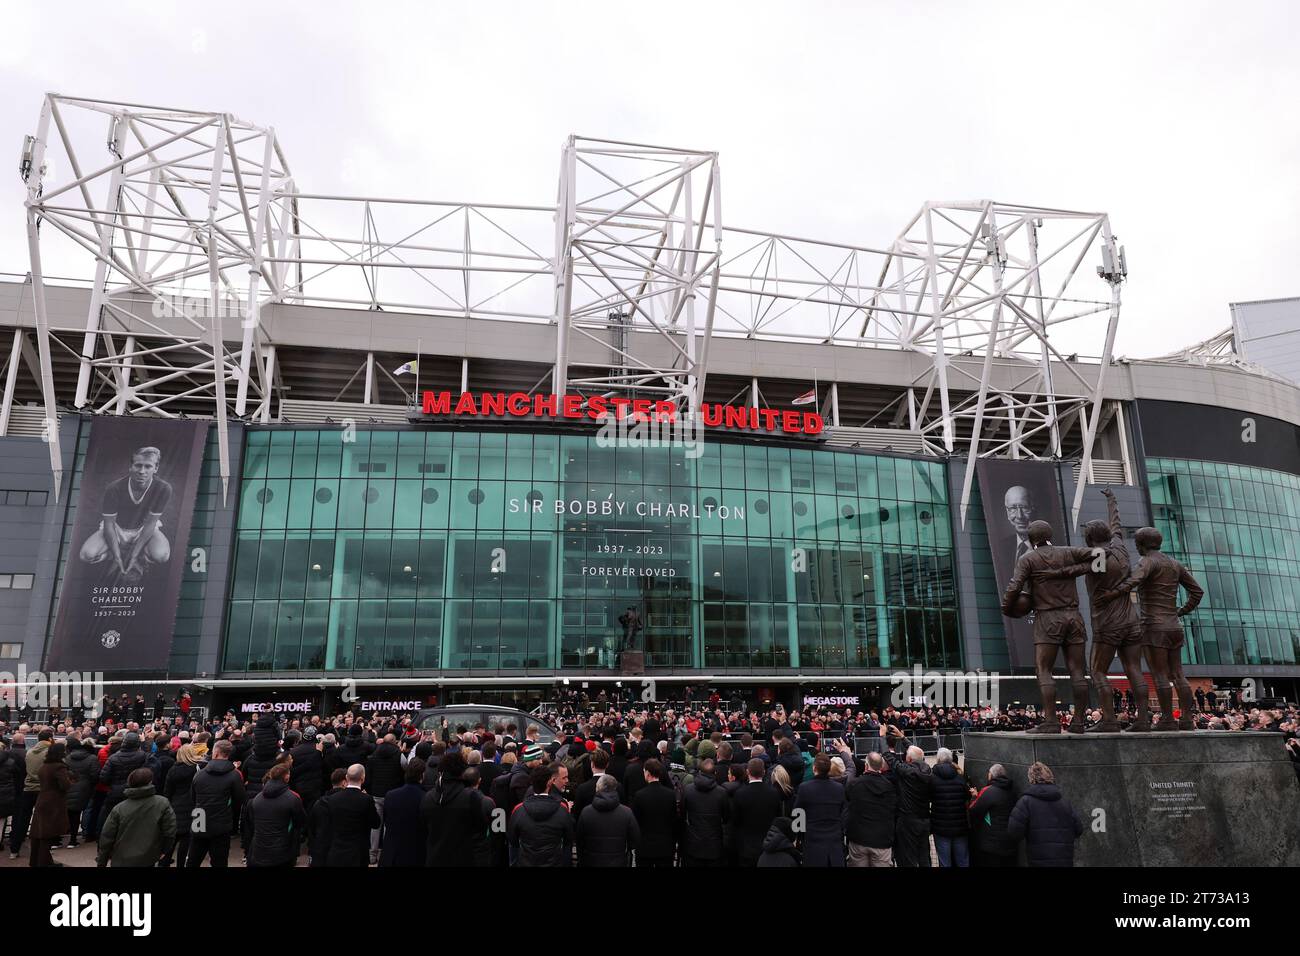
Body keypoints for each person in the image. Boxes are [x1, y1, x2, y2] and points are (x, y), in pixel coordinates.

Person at [1095, 526, 1205, 730]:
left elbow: (1133, 581)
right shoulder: (1175, 564)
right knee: (1178, 675)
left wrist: (1111, 594)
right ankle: (1187, 719)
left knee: (1160, 675)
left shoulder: (1147, 561)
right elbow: (1197, 592)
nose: (1136, 547)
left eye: (1136, 543)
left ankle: (1167, 719)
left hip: (1154, 627)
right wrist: (1181, 611)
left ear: (1142, 544)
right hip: (1174, 626)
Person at [78, 445, 173, 578]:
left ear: (156, 468)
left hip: (143, 528)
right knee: (86, 555)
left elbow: (151, 524)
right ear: (131, 467)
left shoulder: (163, 488)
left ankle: (140, 555)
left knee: (162, 556)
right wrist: (117, 557)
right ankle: (112, 554)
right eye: (138, 465)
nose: (142, 471)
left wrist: (134, 556)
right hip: (117, 528)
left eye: (148, 466)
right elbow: (109, 525)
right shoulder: (114, 488)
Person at [421, 752, 494, 867]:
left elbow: (424, 829)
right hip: (464, 858)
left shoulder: (428, 797)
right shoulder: (472, 798)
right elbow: (484, 829)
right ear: (462, 772)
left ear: (441, 772)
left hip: (435, 858)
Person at [1006, 761, 1084, 867]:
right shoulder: (1064, 802)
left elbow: (1013, 832)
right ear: (1050, 777)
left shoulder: (1025, 802)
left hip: (1039, 860)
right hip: (1064, 860)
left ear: (1031, 779)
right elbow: (1079, 829)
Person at [96, 767, 177, 867]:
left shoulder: (119, 808)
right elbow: (170, 831)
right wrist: (164, 850)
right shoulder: (162, 803)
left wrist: (102, 862)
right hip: (149, 857)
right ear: (150, 781)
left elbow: (106, 838)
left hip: (122, 859)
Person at [187, 738, 245, 867]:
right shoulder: (234, 775)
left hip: (199, 818)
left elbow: (193, 798)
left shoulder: (200, 774)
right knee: (219, 860)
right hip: (222, 820)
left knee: (193, 858)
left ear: (216, 752)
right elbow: (239, 800)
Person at [508, 763, 574, 867]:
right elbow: (568, 840)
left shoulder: (518, 810)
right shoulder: (562, 809)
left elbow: (513, 841)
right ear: (549, 783)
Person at [242, 762, 306, 867]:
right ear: (286, 777)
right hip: (282, 850)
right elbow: (300, 822)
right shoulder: (292, 799)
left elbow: (250, 826)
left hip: (258, 849)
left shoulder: (255, 800)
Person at [844, 751, 897, 867]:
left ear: (866, 766)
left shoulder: (855, 784)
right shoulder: (890, 787)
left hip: (859, 839)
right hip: (881, 840)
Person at [793, 752, 846, 867]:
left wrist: (800, 836)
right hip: (834, 843)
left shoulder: (804, 788)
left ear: (814, 768)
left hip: (812, 843)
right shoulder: (839, 788)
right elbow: (843, 814)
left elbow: (797, 814)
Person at [322, 764, 381, 867]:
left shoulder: (333, 799)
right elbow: (376, 823)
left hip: (337, 850)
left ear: (347, 778)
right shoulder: (366, 799)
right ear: (363, 779)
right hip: (358, 853)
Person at [576, 773, 640, 867]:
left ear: (597, 788)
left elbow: (579, 841)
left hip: (592, 862)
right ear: (615, 788)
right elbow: (635, 840)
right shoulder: (627, 813)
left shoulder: (586, 812)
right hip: (618, 861)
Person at [886, 743, 933, 867]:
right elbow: (919, 754)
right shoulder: (927, 769)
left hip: (908, 820)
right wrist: (902, 737)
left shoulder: (905, 771)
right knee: (924, 854)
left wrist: (881, 737)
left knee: (908, 855)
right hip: (924, 819)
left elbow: (888, 757)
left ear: (909, 759)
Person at [162, 738, 206, 867]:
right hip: (197, 809)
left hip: (176, 806)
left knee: (170, 842)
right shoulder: (199, 769)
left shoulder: (173, 770)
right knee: (190, 844)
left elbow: (167, 792)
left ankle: (163, 864)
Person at [731, 757, 782, 867]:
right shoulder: (773, 793)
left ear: (748, 772)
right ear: (764, 772)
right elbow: (778, 817)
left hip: (746, 847)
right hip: (769, 845)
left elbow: (735, 821)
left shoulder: (740, 794)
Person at [29, 741, 72, 867]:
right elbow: (65, 785)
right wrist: (71, 780)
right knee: (47, 835)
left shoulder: (45, 766)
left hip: (42, 799)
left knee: (38, 834)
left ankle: (37, 861)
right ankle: (44, 863)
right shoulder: (59, 766)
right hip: (53, 802)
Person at [380, 757, 428, 867]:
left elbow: (387, 821)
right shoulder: (425, 797)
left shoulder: (391, 795)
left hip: (393, 852)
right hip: (415, 852)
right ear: (422, 775)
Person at [682, 756, 728, 866]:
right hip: (714, 844)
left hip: (693, 843)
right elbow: (726, 817)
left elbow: (683, 814)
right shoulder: (721, 793)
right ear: (715, 773)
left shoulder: (688, 790)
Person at [631, 759, 678, 867]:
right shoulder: (670, 795)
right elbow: (673, 820)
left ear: (647, 773)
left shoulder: (639, 795)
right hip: (665, 846)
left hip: (645, 846)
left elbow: (636, 821)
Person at [365, 732, 404, 864]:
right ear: (394, 741)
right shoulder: (399, 754)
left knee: (376, 825)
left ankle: (372, 854)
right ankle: (387, 853)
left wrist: (370, 791)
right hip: (393, 794)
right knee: (389, 824)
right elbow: (405, 769)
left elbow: (368, 777)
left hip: (376, 793)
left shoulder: (373, 755)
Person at [967, 763, 1017, 867]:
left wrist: (974, 797)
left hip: (991, 845)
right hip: (1010, 842)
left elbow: (973, 810)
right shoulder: (1011, 791)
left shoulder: (988, 791)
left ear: (991, 775)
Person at [929, 748, 970, 867]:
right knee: (962, 861)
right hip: (960, 826)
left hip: (940, 828)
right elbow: (966, 796)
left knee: (944, 862)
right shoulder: (960, 777)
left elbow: (929, 797)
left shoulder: (932, 779)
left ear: (938, 760)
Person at [61, 737, 98, 849]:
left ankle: (62, 836)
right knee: (77, 814)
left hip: (69, 786)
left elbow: (64, 771)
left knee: (68, 812)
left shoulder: (68, 758)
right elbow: (95, 775)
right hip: (84, 788)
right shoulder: (92, 758)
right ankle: (73, 839)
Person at [309, 769, 347, 867]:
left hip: (321, 849)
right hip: (341, 850)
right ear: (344, 783)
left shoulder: (318, 803)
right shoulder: (347, 804)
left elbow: (312, 828)